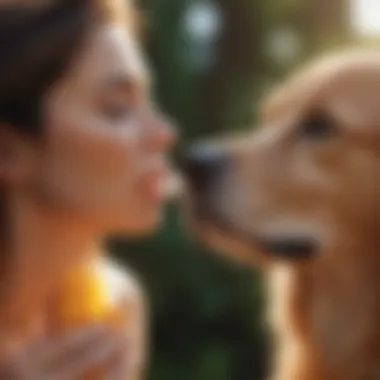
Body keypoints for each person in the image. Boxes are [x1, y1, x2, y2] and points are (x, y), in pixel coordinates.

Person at [0, 0, 175, 378]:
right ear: (8, 151)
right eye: (116, 108)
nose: (162, 133)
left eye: (148, 101)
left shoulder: (115, 308)